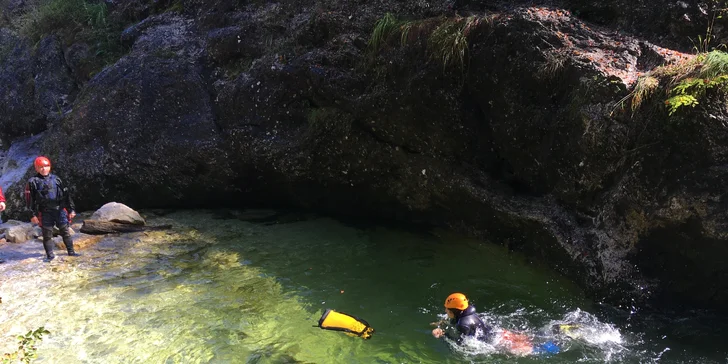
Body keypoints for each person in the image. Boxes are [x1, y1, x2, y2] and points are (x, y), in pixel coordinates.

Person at [432, 293, 560, 356]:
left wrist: (443, 335)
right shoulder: (468, 310)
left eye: (447, 310)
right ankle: (557, 331)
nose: (445, 311)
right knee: (528, 338)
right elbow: (456, 319)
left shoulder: (463, 324)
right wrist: (442, 322)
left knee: (531, 351)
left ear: (455, 311)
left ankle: (557, 346)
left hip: (496, 342)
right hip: (499, 332)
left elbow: (460, 343)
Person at [24, 156, 78, 262]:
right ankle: (50, 256)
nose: (44, 169)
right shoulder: (32, 182)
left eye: (46, 166)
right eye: (41, 167)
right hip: (45, 212)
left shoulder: (57, 179)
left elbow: (66, 195)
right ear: (36, 168)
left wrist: (71, 209)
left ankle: (71, 252)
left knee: (65, 232)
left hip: (60, 210)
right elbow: (29, 200)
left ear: (50, 167)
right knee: (47, 235)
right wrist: (32, 215)